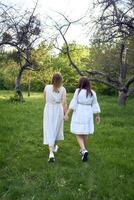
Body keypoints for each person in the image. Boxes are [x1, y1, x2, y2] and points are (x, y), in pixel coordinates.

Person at [65, 77, 101, 162]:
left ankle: (84, 150)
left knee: (78, 132)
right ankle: (83, 150)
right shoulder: (92, 93)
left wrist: (67, 113)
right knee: (85, 132)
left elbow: (73, 103)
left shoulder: (78, 91)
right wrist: (97, 116)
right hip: (88, 112)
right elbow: (95, 104)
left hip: (79, 112)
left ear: (80, 83)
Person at [43, 73, 67, 162]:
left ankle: (51, 152)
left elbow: (44, 99)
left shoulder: (46, 87)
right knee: (57, 129)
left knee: (49, 129)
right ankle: (52, 150)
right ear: (61, 80)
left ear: (52, 79)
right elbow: (64, 102)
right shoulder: (63, 89)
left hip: (48, 109)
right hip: (58, 109)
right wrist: (66, 114)